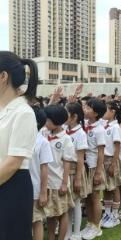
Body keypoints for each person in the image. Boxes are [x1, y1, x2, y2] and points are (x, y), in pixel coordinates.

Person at [0, 51, 38, 240]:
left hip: (12, 186)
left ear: (3, 77)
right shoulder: (3, 110)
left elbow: (13, 162)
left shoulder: (23, 112)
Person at [43, 105, 76, 240]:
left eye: (48, 120)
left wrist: (64, 183)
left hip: (58, 182)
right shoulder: (45, 133)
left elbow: (67, 162)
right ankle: (51, 237)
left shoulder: (65, 139)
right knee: (51, 213)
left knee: (62, 213)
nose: (45, 122)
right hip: (47, 182)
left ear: (56, 122)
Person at [81, 98, 106, 240]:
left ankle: (96, 227)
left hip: (94, 167)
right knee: (88, 198)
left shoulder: (99, 130)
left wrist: (98, 172)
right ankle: (90, 223)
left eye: (88, 108)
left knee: (96, 198)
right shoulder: (85, 124)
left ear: (95, 113)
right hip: (85, 166)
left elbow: (101, 152)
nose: (85, 110)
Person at [65, 102, 89, 240]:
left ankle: (76, 232)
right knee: (68, 203)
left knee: (77, 202)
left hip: (76, 171)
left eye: (66, 114)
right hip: (66, 172)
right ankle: (68, 232)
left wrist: (78, 178)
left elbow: (80, 158)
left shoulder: (80, 133)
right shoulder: (65, 129)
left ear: (74, 117)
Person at [30, 106, 54, 240]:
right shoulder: (19, 137)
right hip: (19, 187)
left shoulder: (42, 141)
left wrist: (43, 192)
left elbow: (44, 168)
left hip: (34, 188)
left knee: (36, 220)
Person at [101, 100, 121, 228]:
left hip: (111, 160)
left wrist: (113, 164)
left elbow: (117, 147)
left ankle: (115, 215)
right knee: (106, 188)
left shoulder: (115, 127)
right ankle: (108, 213)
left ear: (113, 112)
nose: (104, 113)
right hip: (104, 160)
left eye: (106, 110)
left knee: (114, 187)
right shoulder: (106, 125)